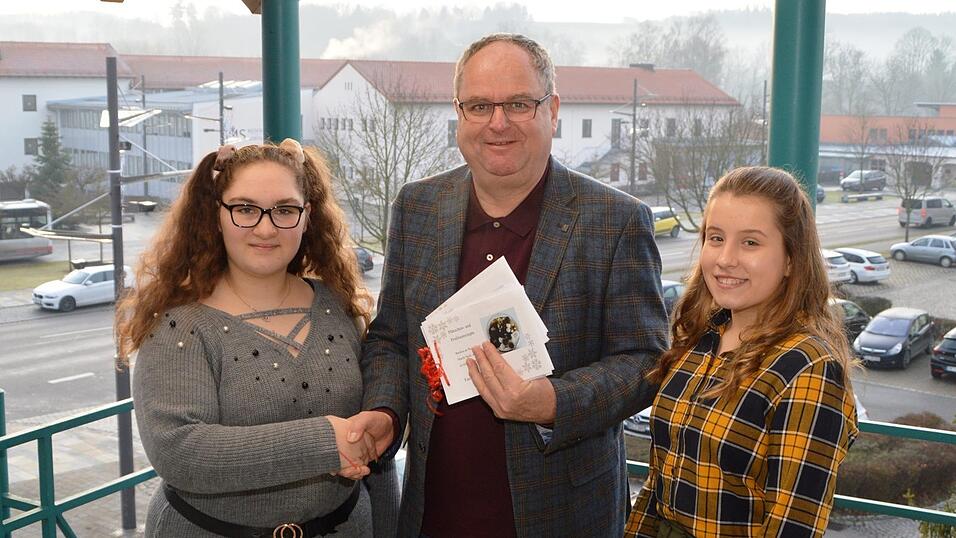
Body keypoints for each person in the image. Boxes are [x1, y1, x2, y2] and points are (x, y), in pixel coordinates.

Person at [347, 33, 669, 537]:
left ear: (552, 109)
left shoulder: (616, 220)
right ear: (459, 113)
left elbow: (646, 360)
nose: (498, 122)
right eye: (479, 106)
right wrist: (385, 412)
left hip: (561, 516)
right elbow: (391, 339)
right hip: (435, 511)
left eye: (518, 103)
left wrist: (553, 403)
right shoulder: (417, 207)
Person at [116, 139, 399, 537]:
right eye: (245, 209)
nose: (265, 228)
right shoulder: (178, 323)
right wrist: (324, 442)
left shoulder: (338, 306)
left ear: (306, 217)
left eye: (285, 210)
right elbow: (179, 452)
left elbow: (370, 446)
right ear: (216, 215)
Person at [625, 166, 859, 538]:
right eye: (715, 238)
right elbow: (659, 483)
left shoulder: (807, 367)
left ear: (790, 259)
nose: (725, 259)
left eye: (750, 242)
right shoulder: (702, 337)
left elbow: (791, 527)